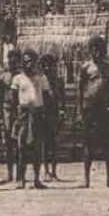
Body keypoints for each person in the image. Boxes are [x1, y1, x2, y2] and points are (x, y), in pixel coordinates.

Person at [78, 34, 109, 188]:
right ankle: (86, 180)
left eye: (99, 49)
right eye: (94, 49)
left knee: (108, 145)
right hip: (90, 109)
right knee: (88, 145)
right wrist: (80, 110)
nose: (96, 52)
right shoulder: (85, 68)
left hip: (105, 110)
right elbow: (80, 90)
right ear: (90, 50)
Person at [10, 48, 47, 189]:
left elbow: (47, 98)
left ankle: (37, 179)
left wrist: (44, 114)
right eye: (25, 61)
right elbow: (14, 101)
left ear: (35, 62)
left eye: (31, 61)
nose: (28, 64)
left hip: (37, 114)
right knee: (22, 148)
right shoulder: (18, 79)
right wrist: (16, 118)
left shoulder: (41, 78)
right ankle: (21, 179)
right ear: (22, 62)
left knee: (37, 148)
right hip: (23, 115)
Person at [39, 53, 65, 181]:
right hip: (43, 114)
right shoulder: (40, 80)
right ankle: (46, 171)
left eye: (50, 65)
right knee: (44, 144)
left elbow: (62, 98)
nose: (47, 68)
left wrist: (62, 111)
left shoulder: (59, 81)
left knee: (54, 144)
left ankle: (54, 172)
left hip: (54, 114)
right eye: (45, 66)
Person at [0, 48, 23, 186]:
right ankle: (9, 174)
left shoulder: (21, 76)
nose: (12, 62)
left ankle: (19, 174)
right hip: (6, 109)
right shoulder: (3, 77)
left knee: (20, 143)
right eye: (10, 59)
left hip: (19, 110)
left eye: (15, 60)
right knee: (8, 143)